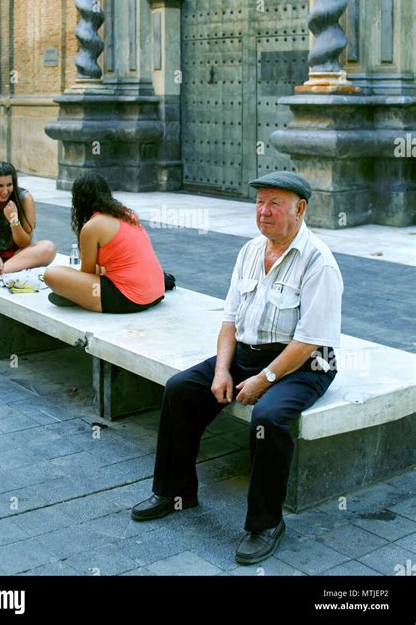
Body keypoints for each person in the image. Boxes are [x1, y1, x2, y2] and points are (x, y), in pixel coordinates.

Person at [131, 170, 344, 565]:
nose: (263, 212)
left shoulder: (319, 262)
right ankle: (176, 492)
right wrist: (222, 371)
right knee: (180, 389)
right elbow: (230, 320)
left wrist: (263, 381)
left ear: (299, 209)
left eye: (274, 204)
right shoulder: (249, 251)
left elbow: (309, 341)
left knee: (268, 417)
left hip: (306, 362)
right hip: (248, 351)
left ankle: (266, 524)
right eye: (259, 202)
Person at [43, 170, 165, 313]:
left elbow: (88, 273)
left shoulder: (92, 227)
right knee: (101, 269)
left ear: (78, 200)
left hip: (129, 299)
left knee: (51, 275)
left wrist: (71, 285)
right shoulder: (127, 214)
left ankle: (78, 297)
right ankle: (79, 296)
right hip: (156, 292)